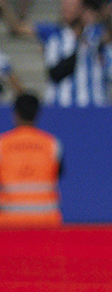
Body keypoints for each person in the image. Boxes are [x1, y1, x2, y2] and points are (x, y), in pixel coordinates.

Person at [31, 0, 112, 108]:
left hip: (94, 107)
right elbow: (55, 73)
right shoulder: (55, 38)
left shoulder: (100, 38)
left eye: (71, 6)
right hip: (61, 107)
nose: (66, 10)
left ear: (83, 10)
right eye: (64, 6)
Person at [0, 92, 61, 228]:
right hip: (46, 222)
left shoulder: (2, 145)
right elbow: (58, 173)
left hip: (9, 223)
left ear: (15, 114)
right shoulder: (52, 144)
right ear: (37, 114)